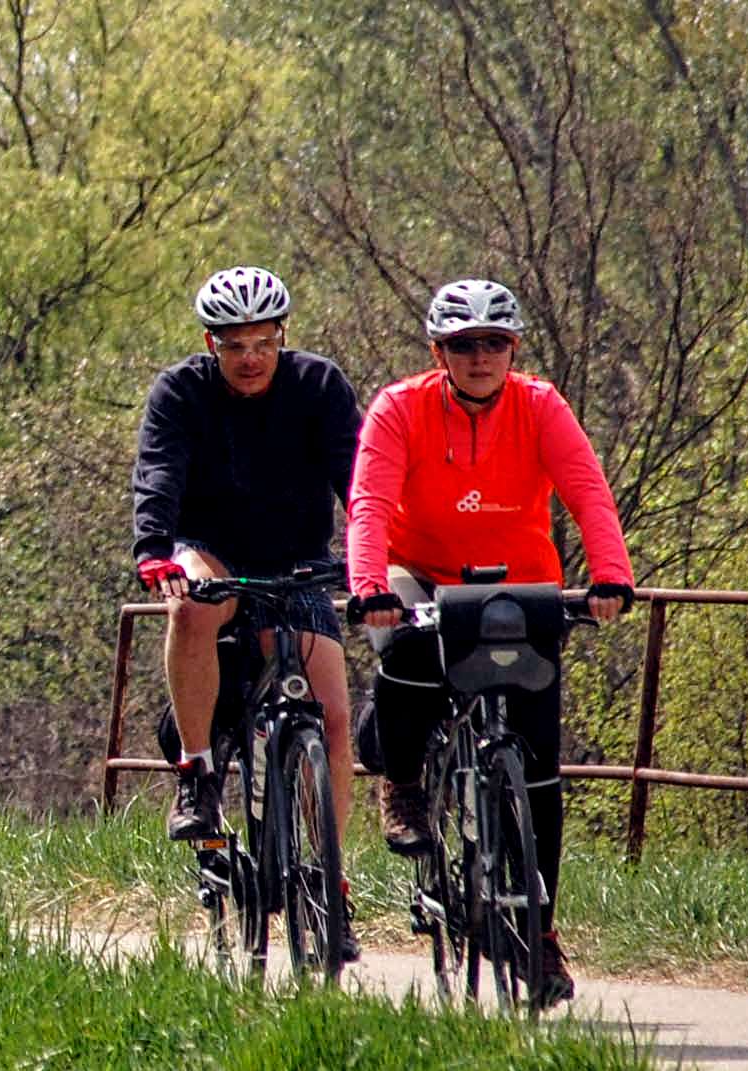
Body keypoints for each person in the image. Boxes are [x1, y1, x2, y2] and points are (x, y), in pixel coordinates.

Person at [348, 278, 633, 1007]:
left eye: (494, 344)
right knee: (407, 652)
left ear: (514, 350)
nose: (480, 358)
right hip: (421, 573)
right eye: (464, 345)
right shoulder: (400, 407)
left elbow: (587, 490)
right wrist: (371, 585)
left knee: (539, 767)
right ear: (439, 352)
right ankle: (405, 783)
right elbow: (372, 501)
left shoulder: (540, 406)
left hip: (520, 582)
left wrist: (611, 575)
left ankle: (539, 931)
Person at [128, 267, 365, 962]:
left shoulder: (319, 385)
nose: (251, 356)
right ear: (212, 343)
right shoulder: (181, 392)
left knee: (337, 716)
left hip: (297, 562)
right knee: (194, 606)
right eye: (235, 345)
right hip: (213, 551)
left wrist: (375, 554)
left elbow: (358, 477)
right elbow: (159, 472)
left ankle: (329, 877)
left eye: (263, 341)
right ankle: (197, 772)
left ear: (282, 337)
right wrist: (154, 552)